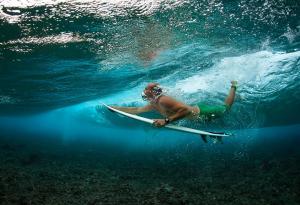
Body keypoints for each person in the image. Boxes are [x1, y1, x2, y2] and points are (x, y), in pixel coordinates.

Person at [111, 81, 237, 127]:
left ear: (153, 93)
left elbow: (186, 111)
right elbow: (137, 110)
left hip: (204, 113)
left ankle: (234, 86)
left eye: (146, 90)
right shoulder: (154, 103)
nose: (144, 91)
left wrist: (165, 121)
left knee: (226, 108)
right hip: (197, 114)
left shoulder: (163, 100)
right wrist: (116, 109)